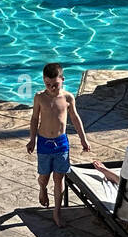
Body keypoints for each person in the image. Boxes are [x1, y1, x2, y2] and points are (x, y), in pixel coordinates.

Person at [26, 62, 90, 228]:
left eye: (55, 84)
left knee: (59, 178)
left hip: (61, 143)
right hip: (44, 143)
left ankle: (57, 212)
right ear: (43, 81)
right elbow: (34, 119)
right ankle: (42, 188)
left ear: (63, 79)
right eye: (48, 84)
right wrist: (32, 139)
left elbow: (75, 118)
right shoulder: (40, 97)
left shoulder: (68, 98)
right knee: (44, 177)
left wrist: (83, 139)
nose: (52, 88)